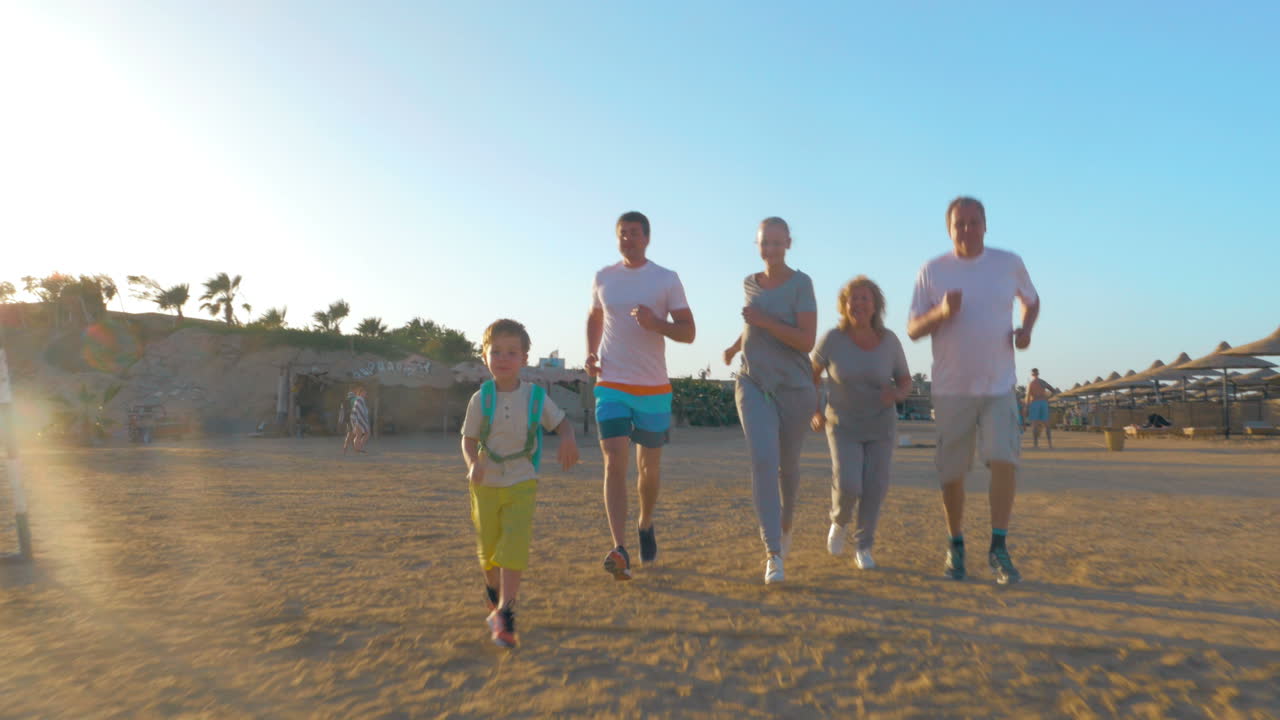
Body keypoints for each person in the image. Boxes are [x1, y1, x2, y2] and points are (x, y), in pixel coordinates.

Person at [907, 196, 1039, 585]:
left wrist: (1026, 330)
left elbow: (1031, 301)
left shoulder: (1007, 263)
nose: (966, 229)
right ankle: (956, 544)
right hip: (951, 388)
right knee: (952, 474)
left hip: (999, 384)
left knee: (1003, 459)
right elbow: (913, 329)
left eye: (973, 221)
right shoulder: (932, 270)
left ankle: (999, 547)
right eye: (959, 223)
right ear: (949, 229)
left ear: (985, 225)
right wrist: (941, 313)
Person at [586, 211, 695, 580]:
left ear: (647, 238)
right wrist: (590, 352)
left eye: (634, 233)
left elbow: (689, 332)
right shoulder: (604, 277)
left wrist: (656, 324)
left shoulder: (666, 279)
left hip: (653, 388)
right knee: (614, 459)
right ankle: (619, 548)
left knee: (648, 469)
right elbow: (594, 317)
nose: (628, 239)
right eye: (622, 234)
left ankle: (645, 522)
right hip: (612, 382)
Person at [461, 319, 580, 648]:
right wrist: (473, 465)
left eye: (511, 352)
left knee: (513, 546)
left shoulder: (535, 397)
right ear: (484, 356)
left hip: (522, 480)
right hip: (484, 485)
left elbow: (562, 424)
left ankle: (507, 612)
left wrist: (568, 439)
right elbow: (468, 440)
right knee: (488, 552)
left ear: (525, 358)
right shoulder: (479, 399)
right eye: (496, 351)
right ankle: (493, 592)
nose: (503, 358)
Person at [722, 217, 817, 585]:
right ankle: (773, 552)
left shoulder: (801, 284)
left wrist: (764, 321)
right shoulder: (750, 282)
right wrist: (735, 345)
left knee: (787, 468)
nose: (771, 249)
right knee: (763, 461)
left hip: (794, 388)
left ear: (789, 244)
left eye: (777, 243)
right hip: (753, 382)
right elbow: (752, 324)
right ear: (757, 244)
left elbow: (806, 341)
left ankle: (786, 522)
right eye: (765, 243)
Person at [811, 276, 911, 572]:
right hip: (842, 423)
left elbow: (905, 380)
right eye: (853, 299)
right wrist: (814, 411)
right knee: (849, 483)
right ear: (844, 305)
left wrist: (896, 394)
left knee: (875, 487)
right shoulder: (832, 339)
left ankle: (863, 546)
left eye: (864, 298)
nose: (858, 304)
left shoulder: (890, 341)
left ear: (875, 305)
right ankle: (839, 521)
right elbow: (811, 375)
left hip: (881, 426)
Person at [1024, 368, 1058, 448]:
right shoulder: (1042, 382)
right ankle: (1050, 444)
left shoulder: (1031, 383)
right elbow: (1054, 391)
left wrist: (1026, 406)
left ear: (1032, 374)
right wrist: (1047, 398)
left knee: (1035, 424)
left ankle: (1036, 444)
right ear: (1038, 374)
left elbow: (1028, 396)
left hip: (1035, 402)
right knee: (1047, 424)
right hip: (1043, 402)